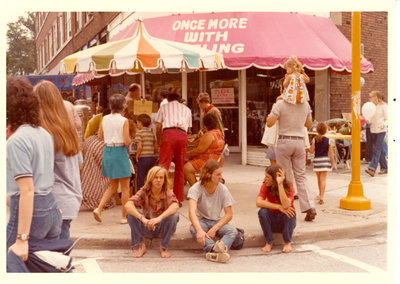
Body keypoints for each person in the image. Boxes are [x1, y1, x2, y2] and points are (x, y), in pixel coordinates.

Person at [6, 77, 62, 266]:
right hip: (50, 206)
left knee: (10, 263)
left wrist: (22, 239)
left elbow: (27, 190)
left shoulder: (17, 140)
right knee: (42, 267)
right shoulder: (44, 134)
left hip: (31, 208)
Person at [266, 55, 316, 222]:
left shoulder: (280, 104)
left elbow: (271, 123)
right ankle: (310, 207)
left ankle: (287, 207)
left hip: (284, 141)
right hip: (299, 142)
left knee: (285, 176)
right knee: (301, 175)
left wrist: (270, 115)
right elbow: (308, 125)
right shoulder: (306, 105)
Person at [34, 80, 83, 240]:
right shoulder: (70, 131)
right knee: (60, 258)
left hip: (49, 203)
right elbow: (79, 165)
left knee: (45, 260)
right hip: (70, 200)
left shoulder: (42, 134)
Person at [188, 159, 238, 263]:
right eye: (218, 174)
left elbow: (229, 215)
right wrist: (200, 230)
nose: (221, 177)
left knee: (233, 231)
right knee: (194, 229)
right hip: (202, 221)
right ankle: (215, 249)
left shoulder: (223, 189)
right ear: (208, 174)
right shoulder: (196, 188)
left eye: (221, 174)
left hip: (216, 221)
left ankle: (214, 252)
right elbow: (191, 212)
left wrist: (214, 228)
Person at [93, 94, 132, 224]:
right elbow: (126, 141)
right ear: (123, 106)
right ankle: (124, 217)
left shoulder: (104, 119)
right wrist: (131, 140)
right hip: (119, 151)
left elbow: (99, 137)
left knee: (112, 186)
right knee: (125, 187)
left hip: (108, 151)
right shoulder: (124, 120)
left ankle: (99, 208)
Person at [125, 166, 180, 258]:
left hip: (162, 228)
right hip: (147, 226)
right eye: (155, 177)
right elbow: (128, 205)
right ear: (150, 179)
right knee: (130, 214)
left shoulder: (167, 192)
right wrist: (143, 219)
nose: (158, 180)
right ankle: (141, 246)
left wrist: (159, 218)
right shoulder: (144, 191)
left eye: (161, 178)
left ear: (164, 180)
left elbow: (175, 206)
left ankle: (163, 247)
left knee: (174, 215)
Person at [155, 92, 192, 204]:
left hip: (169, 134)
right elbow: (189, 128)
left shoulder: (164, 107)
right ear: (179, 99)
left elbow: (158, 126)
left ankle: (162, 196)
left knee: (163, 166)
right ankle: (178, 198)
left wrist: (159, 141)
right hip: (182, 135)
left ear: (168, 99)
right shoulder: (187, 109)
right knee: (180, 167)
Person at [256, 164, 296, 253]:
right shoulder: (266, 185)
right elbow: (258, 202)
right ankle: (269, 242)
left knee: (289, 211)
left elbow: (286, 206)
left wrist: (280, 184)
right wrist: (278, 206)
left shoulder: (289, 187)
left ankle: (287, 242)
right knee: (262, 212)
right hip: (273, 221)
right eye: (265, 176)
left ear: (275, 178)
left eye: (267, 177)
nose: (265, 179)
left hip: (286, 222)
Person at [184, 113, 225, 186]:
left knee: (186, 168)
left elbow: (199, 150)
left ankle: (197, 191)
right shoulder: (218, 133)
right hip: (216, 160)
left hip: (208, 161)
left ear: (205, 123)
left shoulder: (209, 135)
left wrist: (185, 154)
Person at [308, 122, 335, 205]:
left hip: (317, 161)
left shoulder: (314, 140)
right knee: (323, 179)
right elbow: (331, 153)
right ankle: (322, 197)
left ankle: (320, 194)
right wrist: (332, 163)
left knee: (319, 179)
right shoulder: (328, 140)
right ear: (326, 130)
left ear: (317, 130)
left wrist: (307, 148)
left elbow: (311, 151)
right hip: (325, 161)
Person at [365, 90, 388, 176]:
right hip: (373, 130)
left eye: (371, 97)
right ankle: (384, 168)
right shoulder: (372, 107)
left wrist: (384, 124)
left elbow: (387, 118)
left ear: (376, 97)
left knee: (377, 149)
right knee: (380, 149)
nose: (369, 98)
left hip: (381, 130)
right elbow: (371, 118)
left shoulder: (384, 106)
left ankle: (372, 168)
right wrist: (368, 121)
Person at [135, 113, 157, 190]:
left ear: (140, 123)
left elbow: (139, 147)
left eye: (137, 122)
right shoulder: (151, 133)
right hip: (151, 158)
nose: (137, 124)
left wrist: (137, 156)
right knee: (150, 178)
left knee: (141, 179)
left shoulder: (139, 133)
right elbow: (155, 147)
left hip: (143, 159)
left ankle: (140, 196)